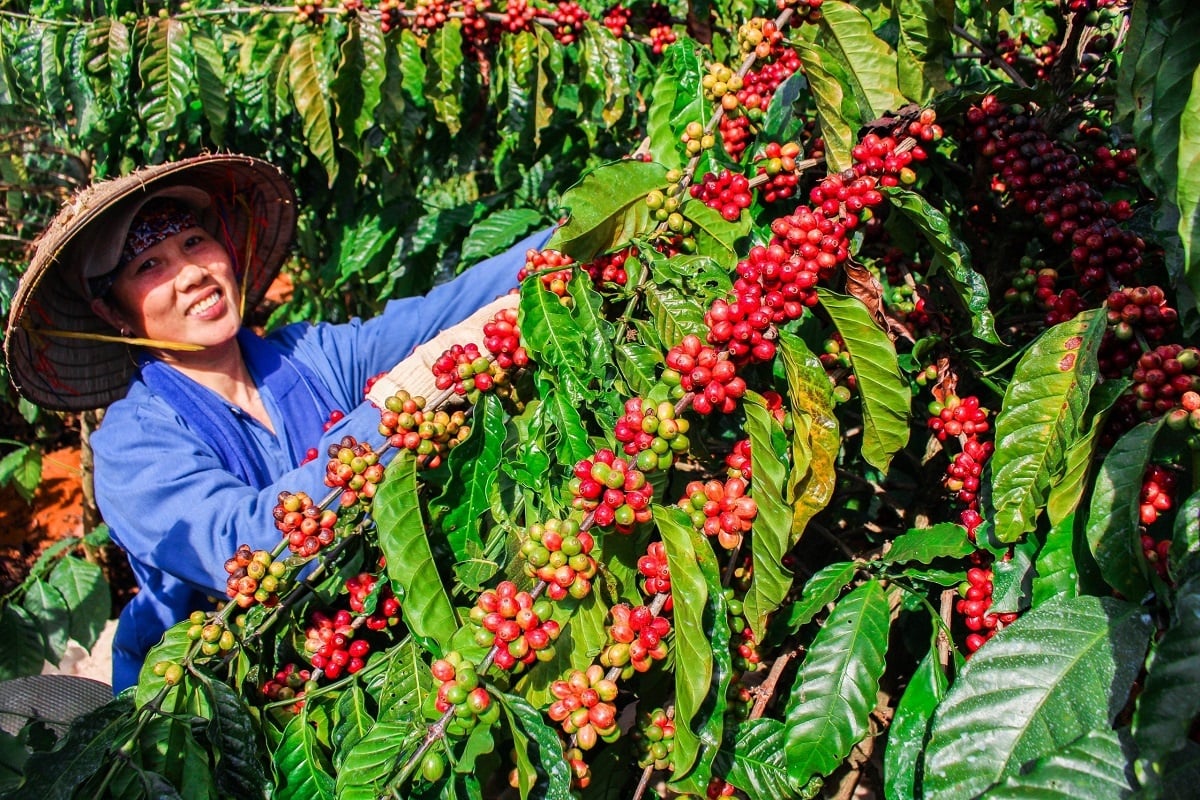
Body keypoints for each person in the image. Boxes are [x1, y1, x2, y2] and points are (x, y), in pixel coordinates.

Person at [4, 154, 552, 692]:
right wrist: (395, 409)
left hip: (370, 653)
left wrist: (588, 222)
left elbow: (444, 310)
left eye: (194, 242)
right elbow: (245, 549)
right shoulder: (131, 448)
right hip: (225, 710)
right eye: (150, 265)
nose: (192, 272)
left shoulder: (308, 357)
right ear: (114, 314)